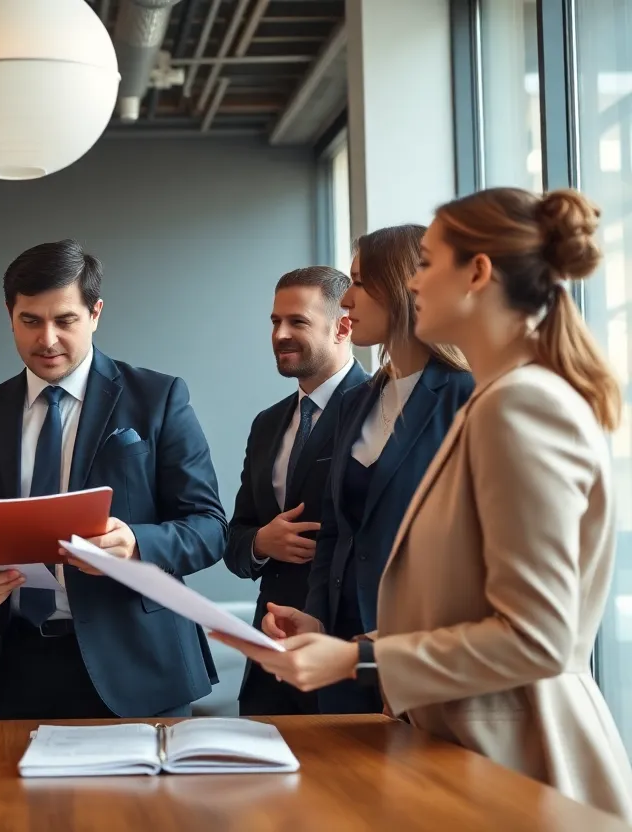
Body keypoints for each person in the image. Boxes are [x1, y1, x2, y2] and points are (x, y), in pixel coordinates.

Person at [214, 187, 632, 821]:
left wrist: (356, 656)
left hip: (516, 753)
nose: (413, 282)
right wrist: (337, 637)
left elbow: (536, 638)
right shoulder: (500, 399)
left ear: (478, 273)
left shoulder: (520, 405)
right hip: (464, 737)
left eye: (428, 263)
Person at [0, 239, 227, 720]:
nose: (47, 339)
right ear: (10, 317)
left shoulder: (158, 398)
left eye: (65, 320)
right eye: (31, 321)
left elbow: (210, 528)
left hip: (139, 665)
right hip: (12, 671)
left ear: (95, 314)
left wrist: (136, 544)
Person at [262, 227, 473, 714]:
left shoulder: (467, 395)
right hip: (345, 657)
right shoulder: (357, 401)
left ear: (404, 286)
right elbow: (336, 531)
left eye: (359, 282)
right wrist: (318, 621)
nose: (347, 299)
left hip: (428, 660)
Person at [224, 266, 366, 716]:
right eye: (275, 321)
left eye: (297, 322)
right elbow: (235, 538)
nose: (280, 334)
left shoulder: (378, 410)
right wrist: (260, 543)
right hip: (270, 660)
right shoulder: (267, 424)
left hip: (346, 657)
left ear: (343, 326)